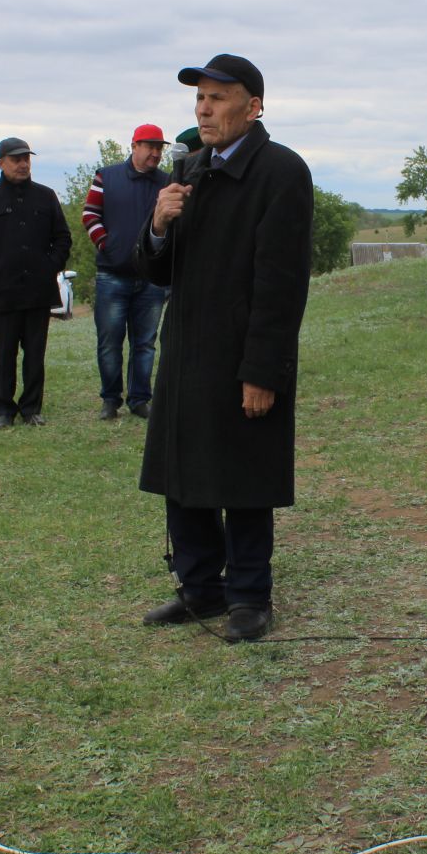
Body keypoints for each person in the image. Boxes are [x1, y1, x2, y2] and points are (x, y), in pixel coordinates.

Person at [137, 54, 314, 641]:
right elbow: (161, 274)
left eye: (217, 97)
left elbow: (281, 284)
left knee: (242, 475)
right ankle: (200, 589)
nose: (203, 108)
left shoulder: (281, 171)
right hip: (187, 350)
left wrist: (262, 370)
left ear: (254, 105)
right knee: (183, 473)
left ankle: (248, 597)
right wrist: (158, 226)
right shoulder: (188, 167)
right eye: (198, 99)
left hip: (241, 355)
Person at [0, 136, 72, 428]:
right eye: (16, 159)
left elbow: (62, 238)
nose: (23, 164)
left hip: (39, 290)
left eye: (26, 158)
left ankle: (31, 408)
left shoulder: (46, 196)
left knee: (35, 354)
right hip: (5, 291)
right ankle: (4, 410)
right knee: (4, 355)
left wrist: (51, 266)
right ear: (1, 163)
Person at [82, 124, 173, 420]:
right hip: (112, 275)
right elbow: (90, 214)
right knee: (109, 342)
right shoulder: (106, 176)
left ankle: (139, 399)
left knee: (145, 343)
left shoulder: (167, 182)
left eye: (160, 147)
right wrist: (106, 244)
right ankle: (110, 400)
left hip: (151, 279)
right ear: (134, 146)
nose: (156, 153)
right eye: (149, 146)